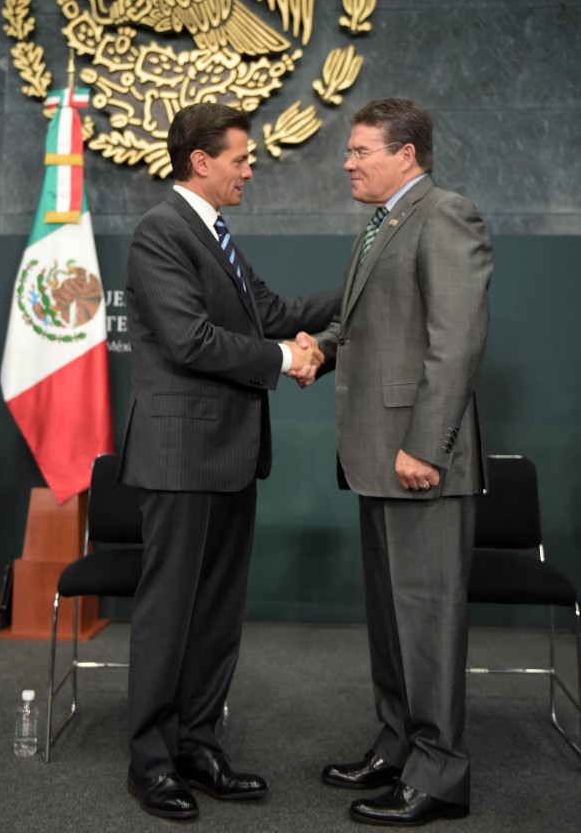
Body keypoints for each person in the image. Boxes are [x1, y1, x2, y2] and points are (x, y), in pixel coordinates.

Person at [119, 102, 339, 821]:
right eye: (240, 158)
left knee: (215, 613)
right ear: (200, 161)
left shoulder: (215, 233)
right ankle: (152, 764)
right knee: (169, 614)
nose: (249, 170)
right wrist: (286, 359)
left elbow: (272, 312)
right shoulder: (161, 231)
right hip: (181, 457)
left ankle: (199, 745)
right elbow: (190, 339)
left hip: (231, 456)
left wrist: (361, 288)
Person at [313, 98, 492, 827]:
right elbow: (362, 327)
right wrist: (317, 350)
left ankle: (440, 775)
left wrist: (426, 444)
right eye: (350, 151)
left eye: (361, 151)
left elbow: (457, 342)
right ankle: (397, 748)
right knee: (393, 621)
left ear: (406, 154)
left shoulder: (446, 215)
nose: (348, 163)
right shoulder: (381, 223)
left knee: (428, 623)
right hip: (376, 458)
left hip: (421, 459)